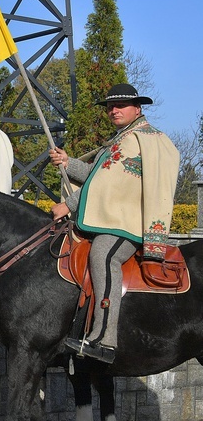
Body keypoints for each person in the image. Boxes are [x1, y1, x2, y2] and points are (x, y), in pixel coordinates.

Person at [49, 83, 180, 364]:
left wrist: (68, 205)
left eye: (120, 105)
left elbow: (105, 185)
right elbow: (98, 177)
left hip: (128, 225)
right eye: (110, 106)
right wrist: (68, 162)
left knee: (103, 255)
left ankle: (105, 340)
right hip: (111, 220)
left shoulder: (148, 139)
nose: (114, 110)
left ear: (138, 108)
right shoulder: (121, 139)